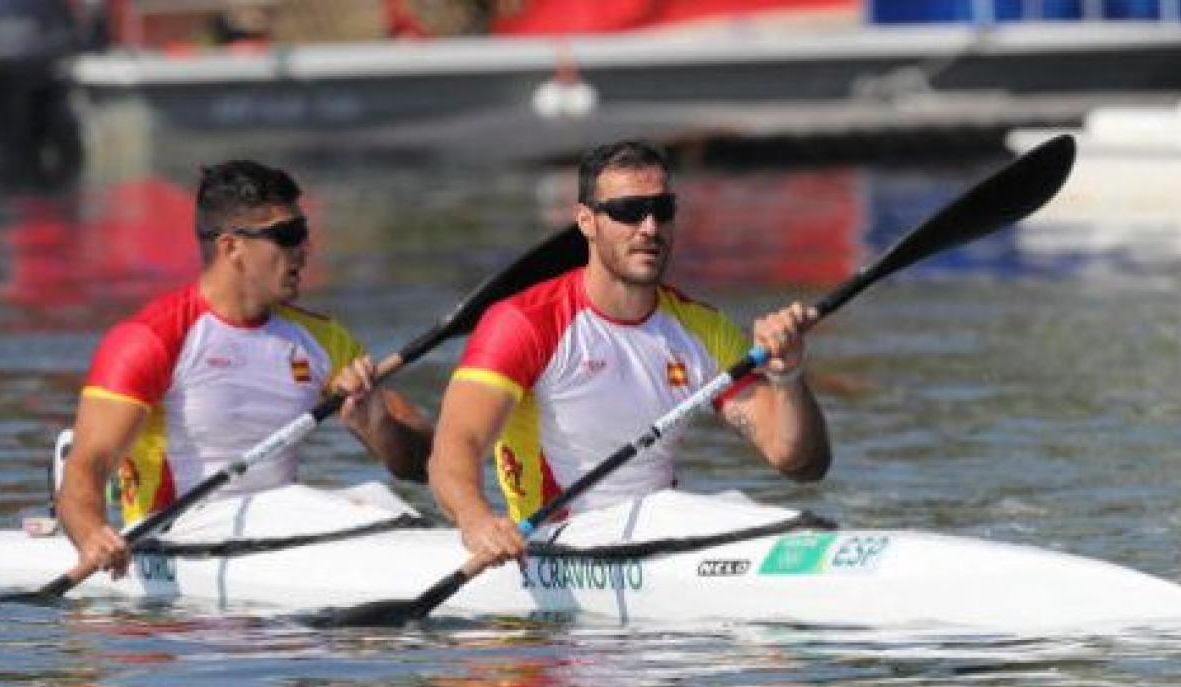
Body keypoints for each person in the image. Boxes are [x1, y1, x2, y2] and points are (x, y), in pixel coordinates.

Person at [429, 139, 831, 570]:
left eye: (662, 209)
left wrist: (789, 377)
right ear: (586, 221)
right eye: (629, 211)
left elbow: (800, 462)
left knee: (748, 508)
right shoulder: (524, 323)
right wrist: (477, 521)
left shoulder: (703, 330)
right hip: (557, 541)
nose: (650, 227)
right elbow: (455, 446)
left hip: (661, 533)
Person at [57, 160, 433, 581]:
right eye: (287, 236)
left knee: (380, 498)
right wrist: (92, 534)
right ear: (231, 247)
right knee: (370, 507)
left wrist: (378, 426)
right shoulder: (149, 339)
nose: (303, 250)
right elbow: (85, 467)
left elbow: (424, 465)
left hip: (280, 526)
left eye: (303, 233)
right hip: (175, 531)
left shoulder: (324, 341)